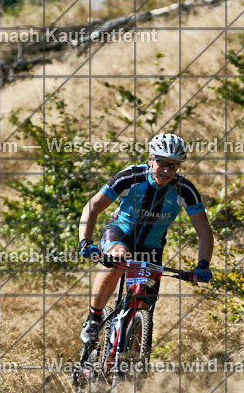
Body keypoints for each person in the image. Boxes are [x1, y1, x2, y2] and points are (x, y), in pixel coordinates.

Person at [76, 133, 214, 351]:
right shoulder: (131, 177)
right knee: (119, 258)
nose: (167, 171)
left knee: (143, 303)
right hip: (120, 233)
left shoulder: (184, 190)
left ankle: (133, 364)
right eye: (162, 163)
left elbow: (204, 231)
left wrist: (203, 265)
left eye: (174, 166)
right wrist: (85, 242)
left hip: (152, 248)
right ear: (151, 159)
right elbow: (92, 206)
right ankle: (93, 319)